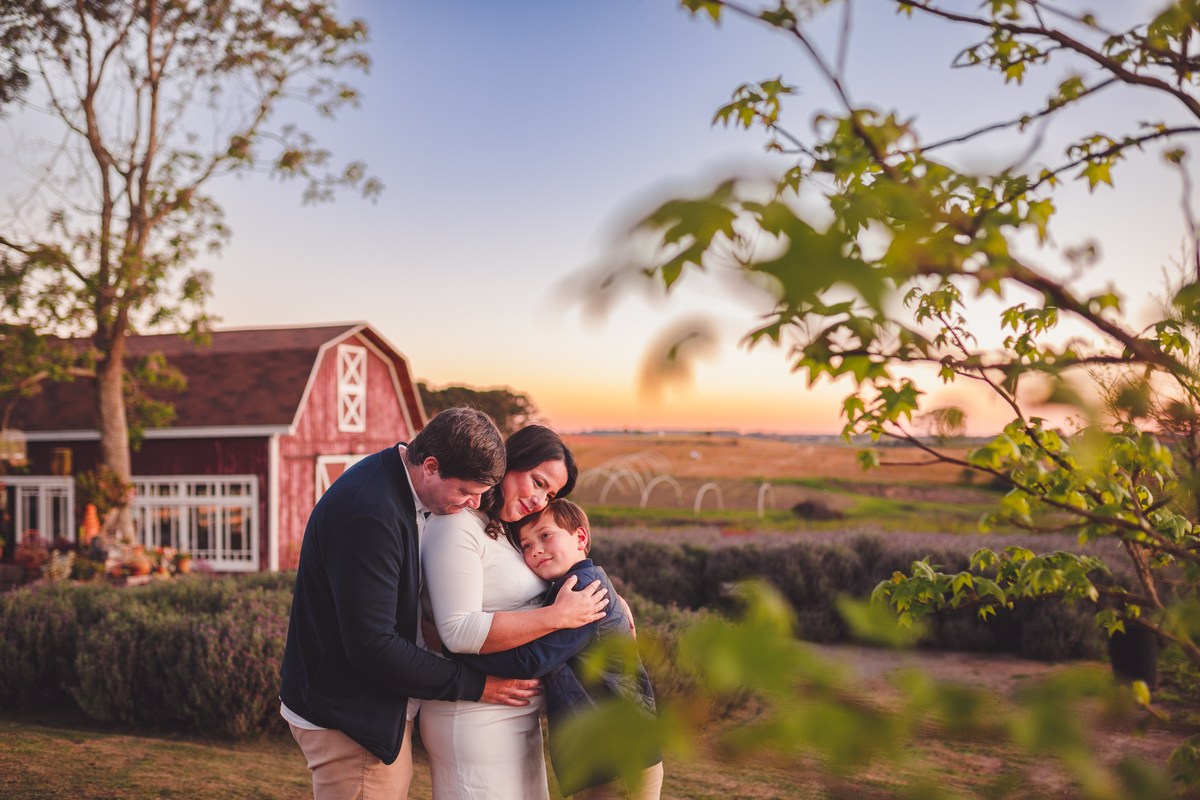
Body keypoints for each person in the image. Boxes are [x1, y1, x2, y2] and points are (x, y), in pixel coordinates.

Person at [279, 408, 606, 800]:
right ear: (430, 466)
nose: (473, 502)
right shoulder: (373, 513)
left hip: (384, 702)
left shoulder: (419, 498)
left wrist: (605, 594)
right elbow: (374, 644)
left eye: (550, 494)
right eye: (467, 492)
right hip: (351, 710)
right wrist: (477, 683)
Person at [421, 424, 608, 800]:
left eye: (550, 493)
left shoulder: (506, 529)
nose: (540, 500)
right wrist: (557, 617)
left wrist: (613, 602)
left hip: (517, 716)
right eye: (537, 482)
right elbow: (457, 631)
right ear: (509, 463)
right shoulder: (456, 526)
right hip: (474, 716)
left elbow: (558, 568)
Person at [449, 499, 663, 799]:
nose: (534, 549)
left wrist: (457, 649)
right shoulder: (570, 587)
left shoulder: (582, 592)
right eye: (525, 545)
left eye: (545, 536)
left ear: (580, 538)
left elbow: (532, 660)